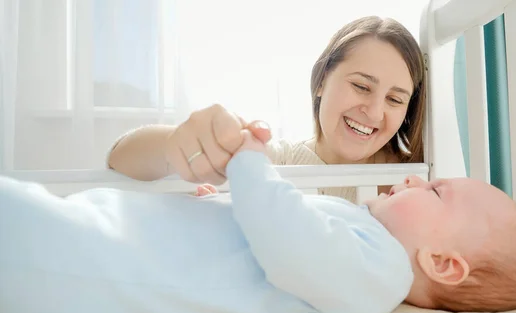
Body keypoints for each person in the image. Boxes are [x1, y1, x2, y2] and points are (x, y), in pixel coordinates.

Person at [0, 130, 516, 313]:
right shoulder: (363, 241)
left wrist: (250, 166)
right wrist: (228, 204)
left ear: (441, 263)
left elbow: (292, 249)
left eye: (433, 192)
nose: (412, 178)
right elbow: (272, 236)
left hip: (90, 267)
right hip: (99, 245)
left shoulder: (380, 273)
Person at [107, 15, 427, 204]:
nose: (373, 112)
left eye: (395, 99)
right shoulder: (282, 162)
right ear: (321, 82)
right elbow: (120, 158)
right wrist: (179, 142)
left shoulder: (414, 183)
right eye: (361, 86)